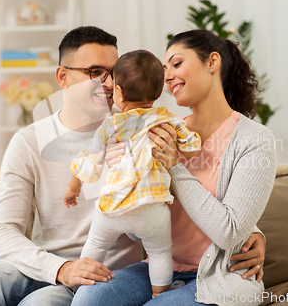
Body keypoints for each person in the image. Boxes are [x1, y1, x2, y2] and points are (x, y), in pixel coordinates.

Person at [0, 26, 267, 306]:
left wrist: (250, 233)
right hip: (43, 263)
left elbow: (199, 185)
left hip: (102, 271)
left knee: (41, 304)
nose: (107, 83)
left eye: (112, 73)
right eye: (95, 72)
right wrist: (61, 269)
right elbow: (2, 234)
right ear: (63, 77)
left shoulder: (139, 129)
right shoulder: (29, 141)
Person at [71, 30, 276, 306]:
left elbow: (229, 232)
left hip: (219, 274)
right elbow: (135, 230)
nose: (167, 76)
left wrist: (175, 167)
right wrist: (121, 174)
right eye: (164, 68)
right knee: (88, 301)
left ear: (212, 62)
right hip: (160, 266)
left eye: (176, 64)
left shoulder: (254, 139)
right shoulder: (160, 129)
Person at [64, 49, 201, 297]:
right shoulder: (166, 119)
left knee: (95, 244)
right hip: (151, 206)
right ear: (159, 93)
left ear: (118, 91)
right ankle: (160, 294)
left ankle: (79, 286)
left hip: (113, 207)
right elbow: (191, 146)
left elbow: (89, 162)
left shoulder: (110, 125)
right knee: (159, 252)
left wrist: (72, 189)